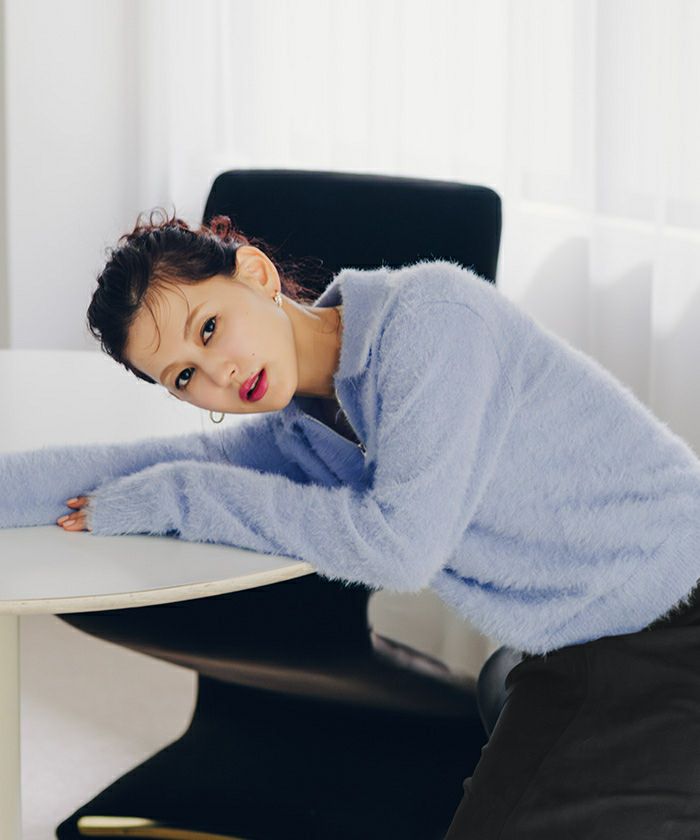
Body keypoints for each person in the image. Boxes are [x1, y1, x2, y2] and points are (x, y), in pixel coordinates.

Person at [3, 209, 700, 838]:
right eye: (184, 377)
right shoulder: (304, 428)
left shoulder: (432, 320)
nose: (219, 373)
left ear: (256, 274)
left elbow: (399, 548)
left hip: (665, 617)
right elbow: (139, 466)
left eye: (209, 328)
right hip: (574, 633)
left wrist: (181, 497)